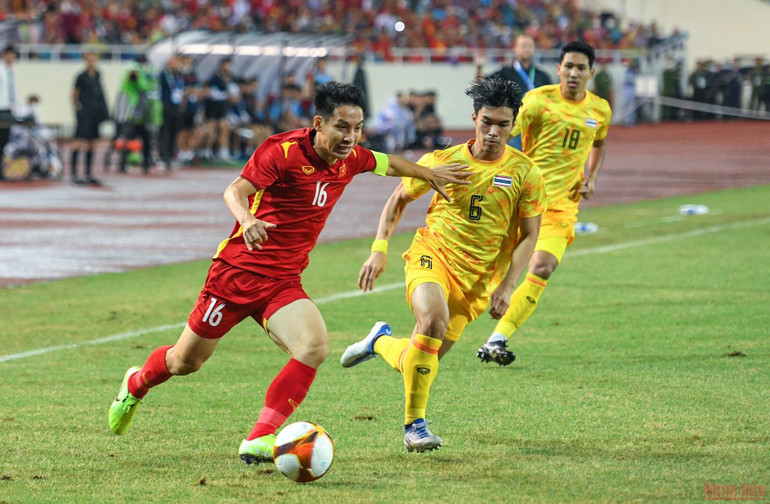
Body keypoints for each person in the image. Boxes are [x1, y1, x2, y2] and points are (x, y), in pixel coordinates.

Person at [107, 81, 471, 465]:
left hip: (282, 282)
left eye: (358, 128)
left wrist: (427, 174)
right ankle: (135, 384)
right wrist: (247, 220)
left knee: (314, 347)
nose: (351, 137)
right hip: (236, 274)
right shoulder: (280, 152)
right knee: (185, 362)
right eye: (342, 127)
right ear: (319, 123)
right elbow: (234, 190)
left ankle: (259, 437)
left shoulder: (352, 158)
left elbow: (389, 163)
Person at [340, 77, 546, 452]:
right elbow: (399, 199)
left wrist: (508, 285)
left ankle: (379, 341)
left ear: (514, 125)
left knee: (420, 358)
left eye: (502, 124)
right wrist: (379, 248)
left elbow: (530, 235)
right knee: (432, 322)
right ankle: (414, 427)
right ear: (473, 118)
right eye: (487, 122)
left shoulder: (525, 173)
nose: (494, 132)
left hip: (478, 282)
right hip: (432, 256)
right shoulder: (443, 161)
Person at [476, 41, 612, 366]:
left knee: (542, 266)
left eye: (581, 68)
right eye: (569, 66)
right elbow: (505, 134)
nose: (574, 73)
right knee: (486, 271)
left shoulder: (600, 110)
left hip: (563, 206)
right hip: (524, 202)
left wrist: (591, 177)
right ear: (559, 69)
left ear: (591, 73)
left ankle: (497, 339)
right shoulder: (537, 100)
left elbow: (600, 143)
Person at [476, 34, 551, 149]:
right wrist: (479, 66)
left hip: (538, 127)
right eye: (523, 46)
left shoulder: (543, 76)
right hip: (514, 127)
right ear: (515, 49)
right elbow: (482, 87)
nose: (526, 49)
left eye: (529, 46)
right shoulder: (505, 73)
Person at [158, 54, 185, 170]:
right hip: (166, 106)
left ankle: (171, 155)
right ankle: (163, 155)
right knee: (165, 131)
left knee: (174, 131)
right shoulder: (163, 74)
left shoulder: (179, 75)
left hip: (176, 107)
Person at [0, 45, 18, 177]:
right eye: (10, 55)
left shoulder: (9, 71)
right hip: (1, 108)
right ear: (5, 55)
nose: (12, 58)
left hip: (8, 109)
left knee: (5, 140)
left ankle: (1, 169)